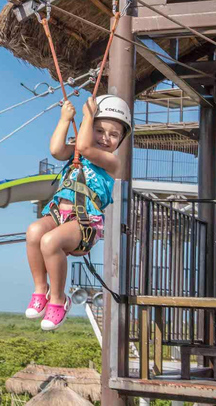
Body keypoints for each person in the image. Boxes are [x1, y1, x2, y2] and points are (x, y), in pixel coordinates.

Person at [24, 94, 131, 331]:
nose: (105, 138)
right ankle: (41, 290)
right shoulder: (76, 153)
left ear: (121, 140)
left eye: (113, 135)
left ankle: (59, 300)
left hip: (84, 223)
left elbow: (84, 146)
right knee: (34, 232)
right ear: (88, 129)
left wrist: (89, 117)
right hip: (58, 213)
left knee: (51, 242)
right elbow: (55, 149)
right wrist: (65, 119)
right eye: (99, 131)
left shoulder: (110, 162)